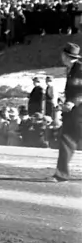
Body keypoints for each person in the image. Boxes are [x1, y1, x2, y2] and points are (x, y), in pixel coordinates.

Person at [52, 43, 82, 182]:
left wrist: (73, 102)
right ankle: (61, 174)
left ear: (65, 55)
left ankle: (61, 174)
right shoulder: (70, 70)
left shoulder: (80, 69)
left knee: (68, 140)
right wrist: (65, 103)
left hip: (78, 111)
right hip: (72, 112)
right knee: (66, 140)